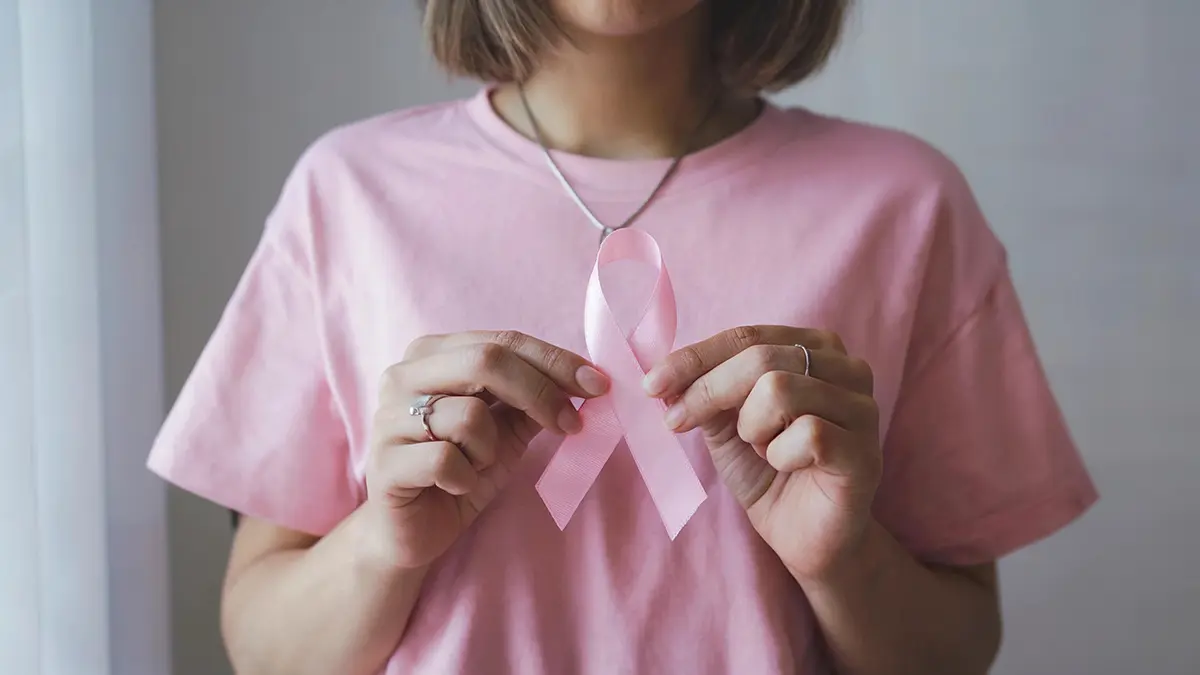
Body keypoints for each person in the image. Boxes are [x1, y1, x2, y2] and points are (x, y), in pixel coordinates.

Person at [147, 1, 1099, 673]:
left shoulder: (903, 207)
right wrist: (381, 547)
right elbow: (263, 647)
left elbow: (954, 649)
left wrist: (838, 560)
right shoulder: (348, 195)